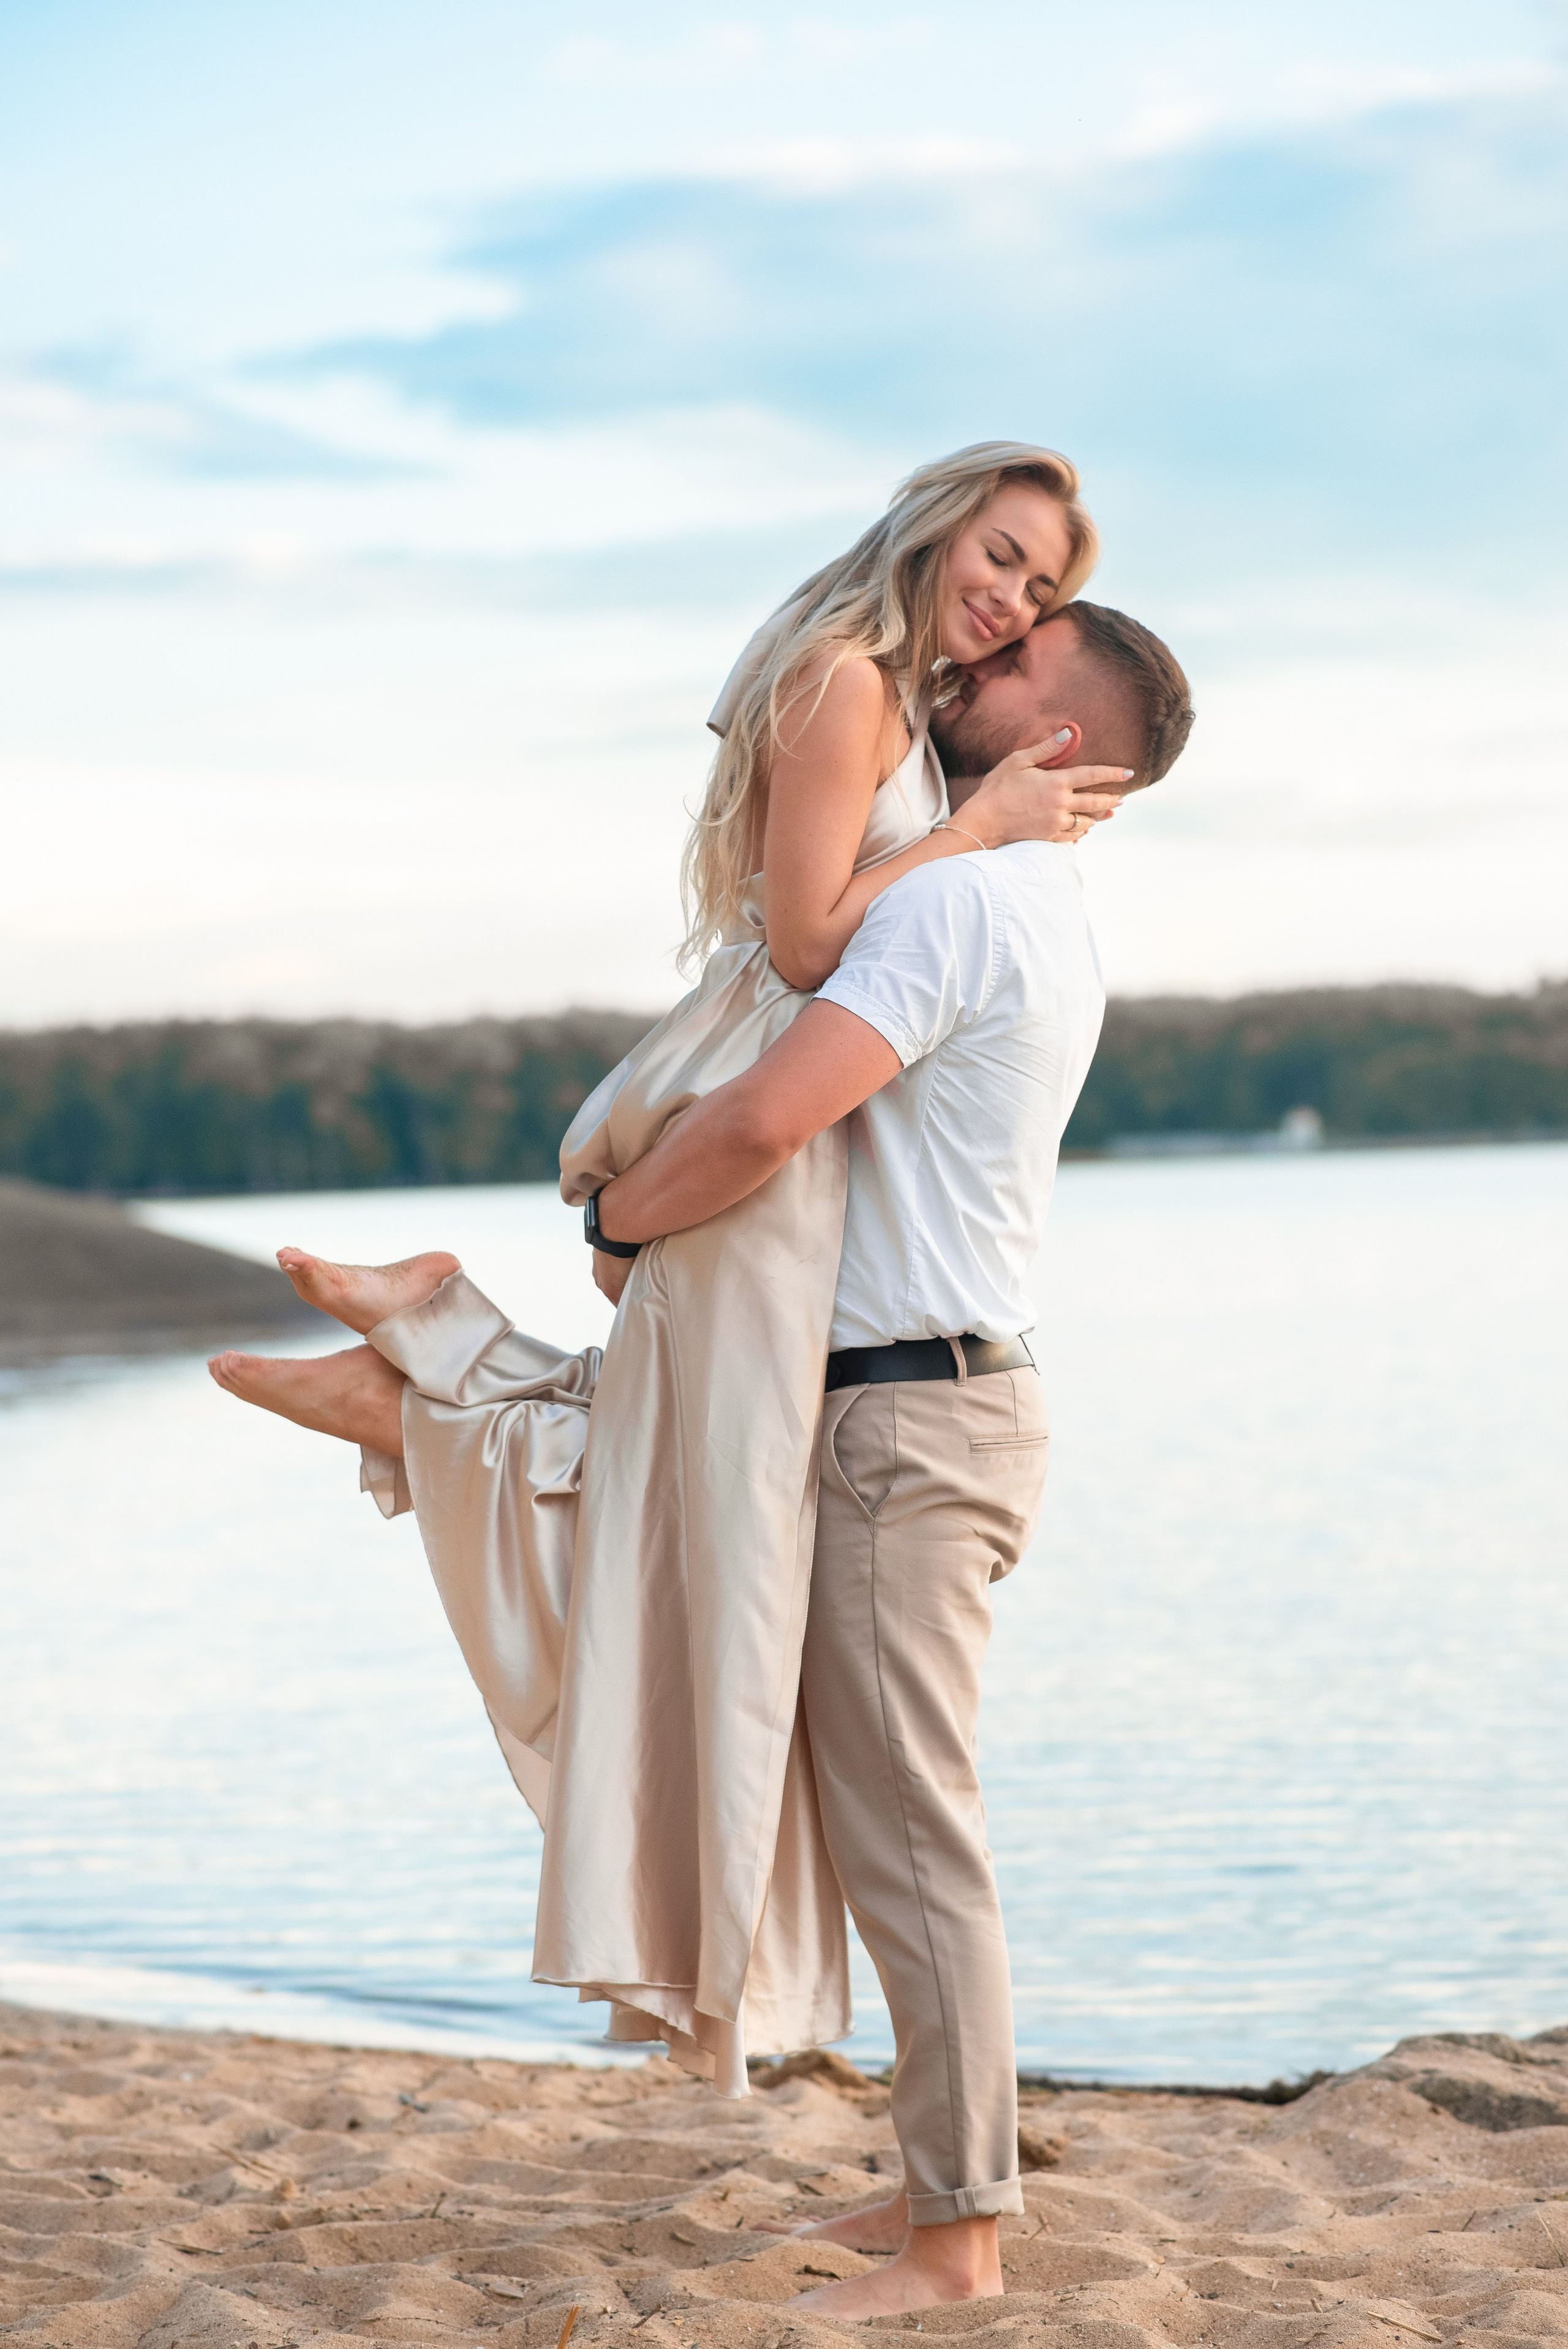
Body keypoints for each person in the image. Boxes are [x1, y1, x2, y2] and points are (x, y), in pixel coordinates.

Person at [214, 589, 1195, 2319]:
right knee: (642, 1533)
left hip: (908, 1417)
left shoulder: (964, 899)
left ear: (1062, 737)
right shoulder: (1010, 891)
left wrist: (616, 1213)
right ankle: (427, 1378)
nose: (972, 659)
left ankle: (961, 2241)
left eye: (1016, 659)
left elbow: (761, 1115)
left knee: (912, 1830)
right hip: (871, 1397)